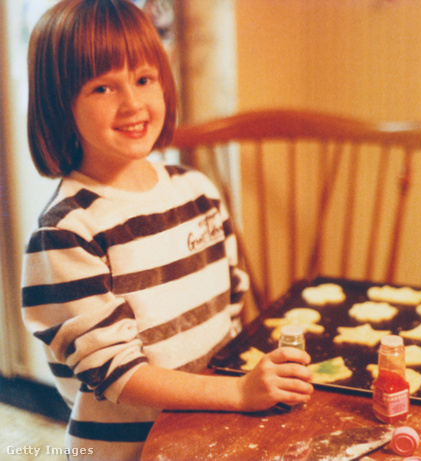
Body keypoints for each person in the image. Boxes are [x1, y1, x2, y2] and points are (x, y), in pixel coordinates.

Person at [21, 0, 313, 459]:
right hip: (129, 452)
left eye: (143, 79)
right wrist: (238, 396)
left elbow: (231, 312)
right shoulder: (66, 232)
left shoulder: (196, 190)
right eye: (102, 88)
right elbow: (119, 374)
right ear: (61, 103)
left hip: (205, 435)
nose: (133, 103)